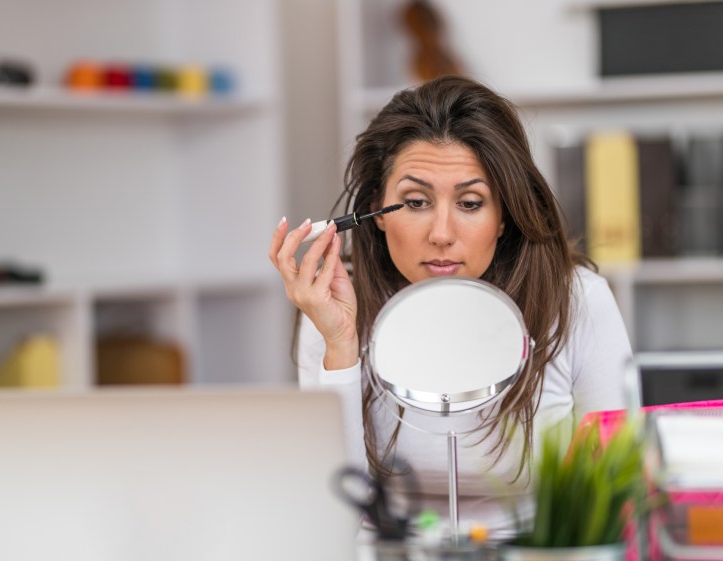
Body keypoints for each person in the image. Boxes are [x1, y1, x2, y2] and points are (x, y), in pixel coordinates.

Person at [268, 75, 632, 536]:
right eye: (416, 202)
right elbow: (338, 516)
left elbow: (617, 491)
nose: (441, 233)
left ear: (505, 216)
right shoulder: (332, 305)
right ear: (377, 210)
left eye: (471, 202)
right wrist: (339, 346)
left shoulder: (577, 300)